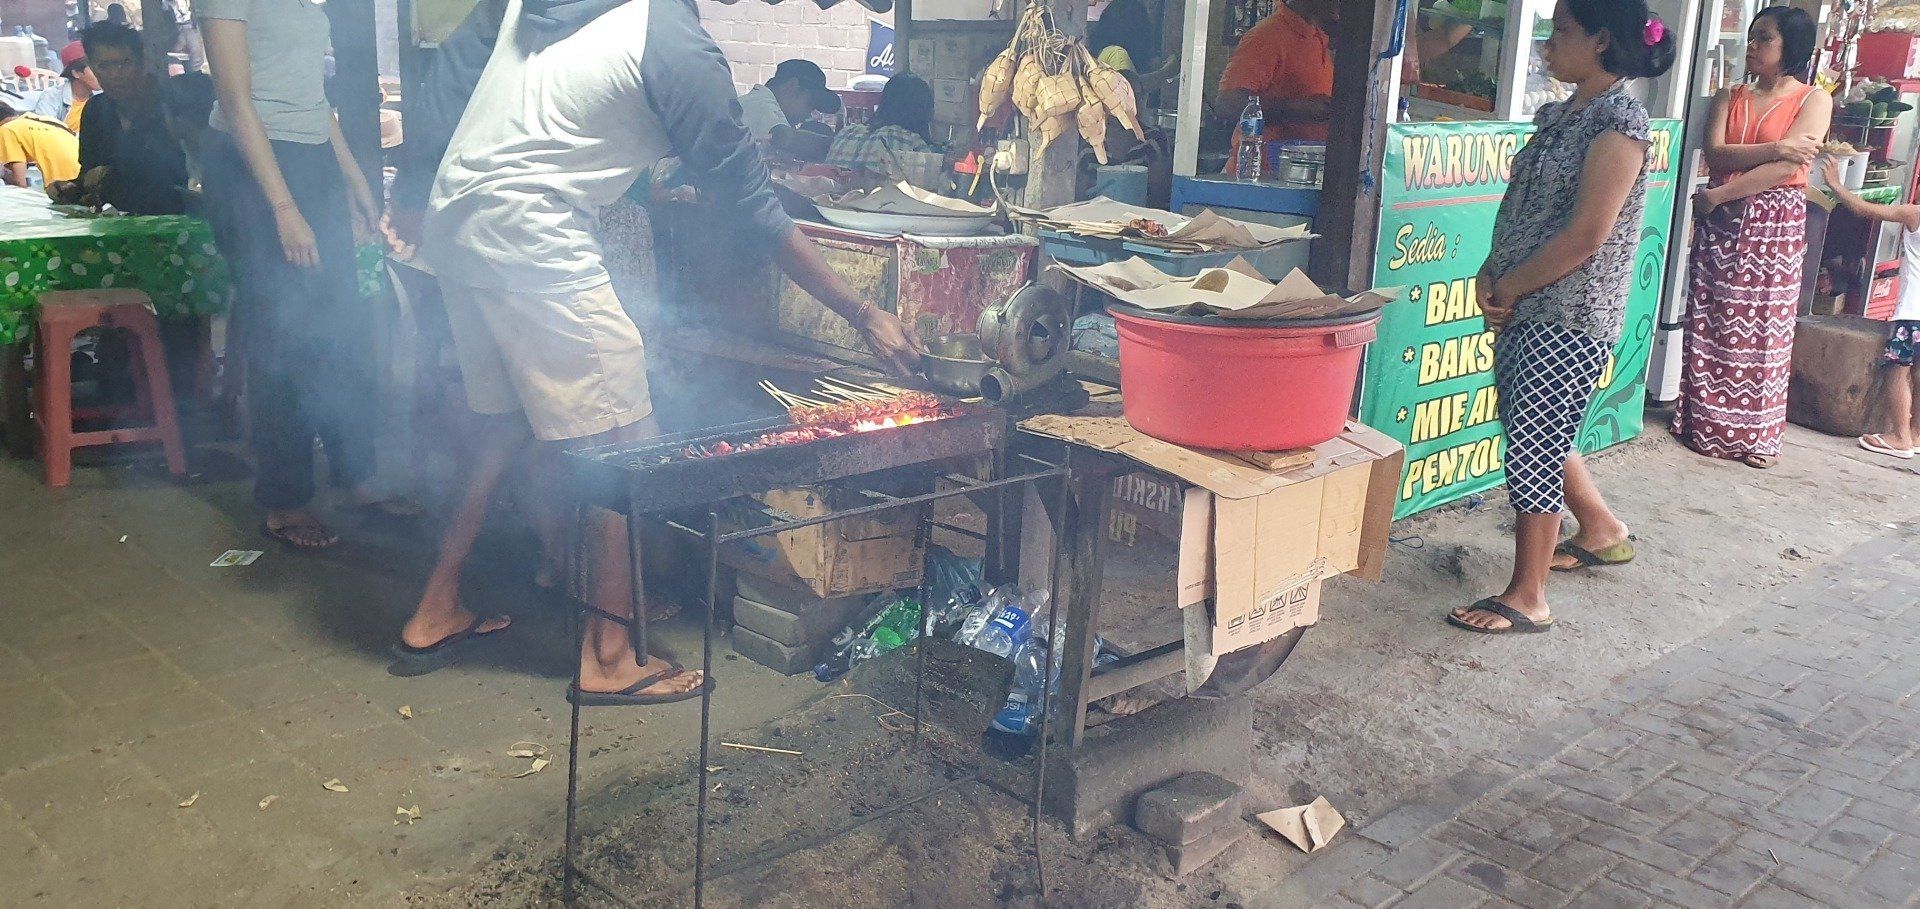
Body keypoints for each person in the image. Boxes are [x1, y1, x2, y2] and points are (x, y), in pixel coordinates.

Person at [390, 0, 922, 702]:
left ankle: (436, 608)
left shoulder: (578, 7)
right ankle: (609, 656)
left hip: (460, 216)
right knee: (628, 445)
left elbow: (452, 75)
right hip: (533, 231)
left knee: (501, 423)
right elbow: (755, 210)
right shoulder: (676, 47)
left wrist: (410, 187)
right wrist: (864, 313)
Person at [1448, 0, 1674, 635]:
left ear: (1600, 40)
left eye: (1562, 32)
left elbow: (1587, 233)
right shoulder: (1561, 115)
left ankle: (1529, 596)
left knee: (1535, 446)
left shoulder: (1620, 123)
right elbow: (1523, 209)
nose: (1548, 43)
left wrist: (1511, 285)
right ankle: (1600, 530)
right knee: (1534, 429)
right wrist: (1491, 270)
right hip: (1527, 301)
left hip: (1571, 312)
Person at [201, 0, 411, 549]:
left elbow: (311, 96)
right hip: (252, 168)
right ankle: (285, 500)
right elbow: (236, 101)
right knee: (283, 337)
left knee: (343, 326)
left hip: (312, 157)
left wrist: (353, 179)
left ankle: (357, 475)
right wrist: (283, 208)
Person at [1673, 8, 1829, 469]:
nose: (1753, 46)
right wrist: (1778, 146)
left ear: (1790, 48)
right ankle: (1703, 425)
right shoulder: (1731, 95)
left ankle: (1757, 436)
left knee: (1764, 325)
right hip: (1722, 220)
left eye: (1765, 39)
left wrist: (1720, 194)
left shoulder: (1813, 99)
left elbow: (1786, 170)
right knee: (1712, 315)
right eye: (1753, 37)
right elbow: (1717, 151)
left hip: (1772, 221)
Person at [1818, 156, 1920, 460]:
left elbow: (1866, 210)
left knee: (1897, 371)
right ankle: (1916, 434)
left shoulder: (1914, 214)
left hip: (1912, 312)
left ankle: (1900, 437)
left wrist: (1836, 185)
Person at [57, 23, 191, 215]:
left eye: (125, 63)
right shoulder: (95, 110)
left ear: (142, 62)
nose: (114, 74)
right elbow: (89, 174)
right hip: (117, 226)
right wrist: (72, 188)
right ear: (92, 66)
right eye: (103, 66)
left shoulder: (173, 104)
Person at [1213, 0, 1337, 143]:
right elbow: (1228, 105)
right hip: (1265, 156)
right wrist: (1297, 109)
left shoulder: (1318, 35)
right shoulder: (1266, 36)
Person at [825, 73, 933, 182]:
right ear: (923, 111)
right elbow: (930, 182)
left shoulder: (847, 132)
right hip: (878, 193)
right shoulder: (910, 141)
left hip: (831, 192)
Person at [737, 59, 838, 152]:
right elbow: (784, 138)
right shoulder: (761, 105)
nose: (808, 115)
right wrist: (840, 145)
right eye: (809, 104)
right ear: (791, 86)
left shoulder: (755, 102)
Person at [0, 101, 79, 186]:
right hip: (84, 171)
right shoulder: (42, 120)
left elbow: (19, 181)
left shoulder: (6, 130)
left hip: (66, 182)